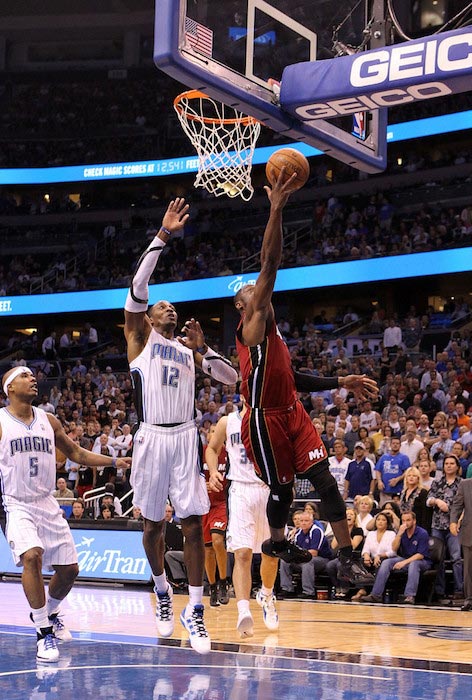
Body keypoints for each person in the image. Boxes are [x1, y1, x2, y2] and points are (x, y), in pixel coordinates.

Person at [233, 169, 377, 589]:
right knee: (282, 493)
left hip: (291, 412)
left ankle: (348, 557)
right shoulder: (252, 328)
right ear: (244, 308)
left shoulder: (273, 332)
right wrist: (276, 208)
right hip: (263, 420)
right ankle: (276, 541)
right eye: (250, 293)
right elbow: (270, 264)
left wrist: (340, 380)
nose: (257, 293)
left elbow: (294, 377)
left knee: (325, 481)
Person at [123, 197, 238, 655]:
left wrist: (205, 349)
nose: (170, 310)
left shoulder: (191, 352)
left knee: (193, 524)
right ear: (149, 317)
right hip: (152, 436)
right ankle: (161, 590)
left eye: (173, 308)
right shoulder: (139, 338)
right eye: (162, 306)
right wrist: (164, 234)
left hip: (184, 436)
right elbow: (137, 283)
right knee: (152, 527)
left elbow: (232, 378)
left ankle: (196, 610)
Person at [0, 366, 131, 663]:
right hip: (15, 502)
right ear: (10, 388)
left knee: (70, 569)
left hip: (47, 501)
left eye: (33, 375)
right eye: (25, 376)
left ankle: (51, 612)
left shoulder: (49, 421)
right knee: (31, 556)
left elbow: (77, 454)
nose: (33, 379)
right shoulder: (0, 422)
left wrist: (113, 460)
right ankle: (43, 633)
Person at [206, 401, 279, 638]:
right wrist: (214, 470)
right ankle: (243, 611)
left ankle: (266, 595)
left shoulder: (272, 418)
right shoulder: (228, 421)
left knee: (270, 553)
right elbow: (212, 449)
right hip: (240, 489)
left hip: (268, 488)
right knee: (242, 553)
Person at [360, 510, 432, 605]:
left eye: (408, 520)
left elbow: (420, 555)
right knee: (386, 563)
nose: (405, 523)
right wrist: (399, 534)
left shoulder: (422, 533)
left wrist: (404, 562)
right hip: (405, 559)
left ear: (414, 521)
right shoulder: (402, 532)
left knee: (414, 564)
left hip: (421, 561)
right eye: (403, 520)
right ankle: (376, 595)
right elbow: (394, 548)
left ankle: (409, 596)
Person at [426, 454, 464, 600]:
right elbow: (428, 500)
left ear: (457, 467)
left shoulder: (462, 483)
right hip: (437, 525)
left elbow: (466, 504)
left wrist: (460, 520)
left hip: (454, 525)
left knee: (456, 558)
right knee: (438, 559)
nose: (448, 465)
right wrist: (436, 501)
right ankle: (439, 590)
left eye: (452, 463)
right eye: (446, 463)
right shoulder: (437, 482)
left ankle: (459, 590)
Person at [279, 510, 333, 598]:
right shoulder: (298, 533)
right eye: (301, 521)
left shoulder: (316, 531)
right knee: (284, 561)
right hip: (302, 557)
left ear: (311, 522)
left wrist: (297, 555)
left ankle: (308, 591)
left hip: (322, 560)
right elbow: (294, 549)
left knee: (308, 562)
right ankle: (287, 589)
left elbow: (314, 553)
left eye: (306, 521)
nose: (303, 523)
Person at [450, 477, 472, 611]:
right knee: (468, 569)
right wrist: (453, 521)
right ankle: (469, 599)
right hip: (469, 531)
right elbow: (457, 505)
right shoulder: (465, 484)